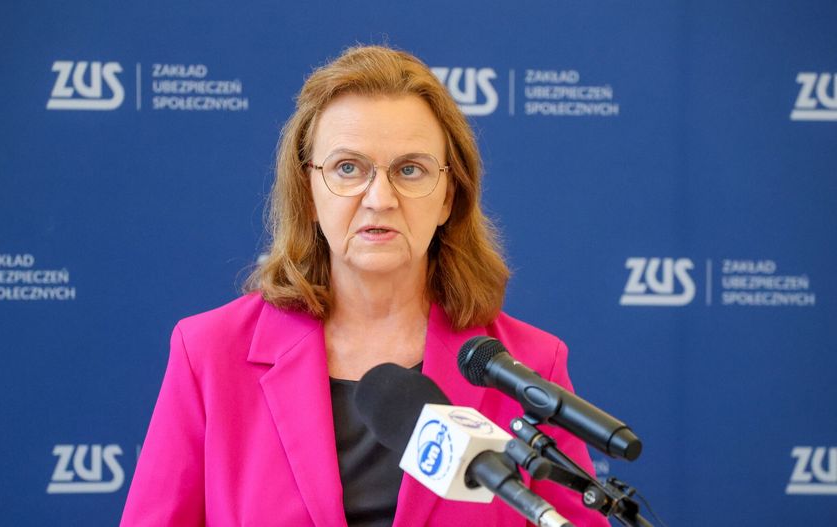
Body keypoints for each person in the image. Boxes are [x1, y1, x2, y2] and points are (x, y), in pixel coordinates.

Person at [121, 45, 609, 527]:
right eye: (348, 168)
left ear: (448, 197)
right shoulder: (210, 354)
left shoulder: (526, 367)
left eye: (410, 170)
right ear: (308, 192)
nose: (380, 199)